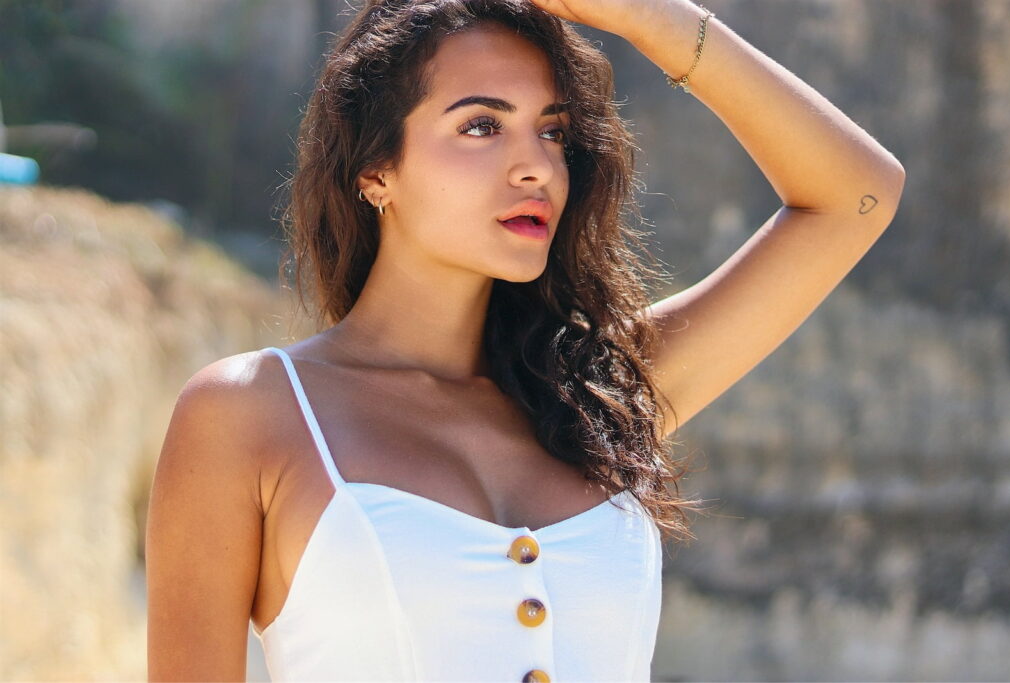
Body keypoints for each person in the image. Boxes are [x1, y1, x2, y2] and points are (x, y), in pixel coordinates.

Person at [145, 0, 905, 680]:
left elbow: (857, 196)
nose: (536, 165)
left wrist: (654, 20)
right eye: (481, 125)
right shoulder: (249, 415)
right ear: (377, 171)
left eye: (551, 130)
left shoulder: (602, 396)